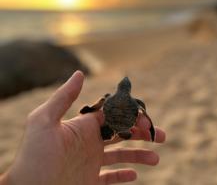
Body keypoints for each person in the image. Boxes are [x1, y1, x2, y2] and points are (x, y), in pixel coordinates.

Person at [0, 71, 166, 185]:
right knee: (130, 129)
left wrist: (89, 109)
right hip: (125, 123)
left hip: (112, 120)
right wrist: (149, 128)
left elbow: (101, 102)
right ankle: (124, 132)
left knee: (112, 114)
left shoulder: (110, 97)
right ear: (128, 89)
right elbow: (142, 110)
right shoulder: (135, 102)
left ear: (119, 88)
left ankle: (120, 131)